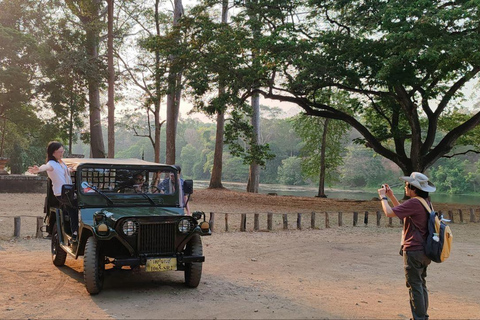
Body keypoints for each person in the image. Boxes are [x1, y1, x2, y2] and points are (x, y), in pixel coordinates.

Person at [378, 172, 436, 320]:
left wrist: (383, 197)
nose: (405, 187)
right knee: (420, 284)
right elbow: (402, 213)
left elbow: (389, 213)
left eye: (406, 185)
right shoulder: (425, 202)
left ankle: (419, 318)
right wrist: (391, 196)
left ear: (413, 188)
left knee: (414, 286)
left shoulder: (415, 202)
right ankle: (423, 316)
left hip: (413, 251)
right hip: (424, 251)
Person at [28, 141, 78, 241]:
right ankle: (75, 232)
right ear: (53, 152)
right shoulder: (51, 164)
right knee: (74, 207)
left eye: (62, 151)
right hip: (61, 193)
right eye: (60, 151)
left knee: (74, 207)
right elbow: (45, 167)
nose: (62, 153)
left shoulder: (61, 162)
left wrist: (70, 169)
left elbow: (64, 170)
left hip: (68, 191)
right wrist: (37, 170)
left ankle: (73, 229)